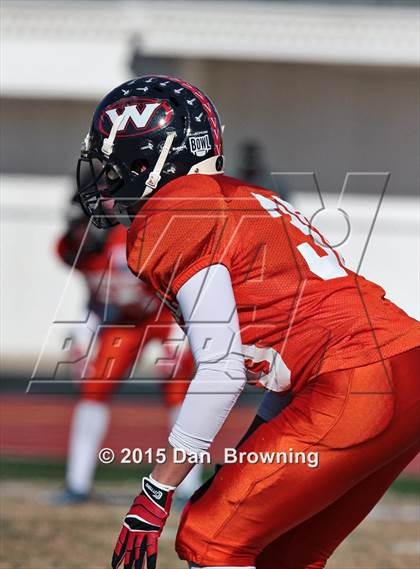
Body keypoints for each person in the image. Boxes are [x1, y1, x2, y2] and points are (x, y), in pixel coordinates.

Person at [76, 75, 420, 569]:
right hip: (401, 366)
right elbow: (296, 344)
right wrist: (247, 449)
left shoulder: (176, 212)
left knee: (208, 537)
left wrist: (157, 490)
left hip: (355, 382)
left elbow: (221, 370)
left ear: (147, 158)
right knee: (283, 554)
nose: (104, 181)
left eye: (112, 166)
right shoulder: (240, 198)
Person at [52, 191, 199, 505]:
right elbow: (96, 294)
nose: (78, 234)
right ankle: (77, 483)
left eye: (83, 226)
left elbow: (177, 283)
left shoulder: (131, 241)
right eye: (74, 227)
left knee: (179, 392)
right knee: (94, 389)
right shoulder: (73, 250)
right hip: (123, 322)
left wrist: (179, 333)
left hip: (165, 314)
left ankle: (188, 488)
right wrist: (83, 332)